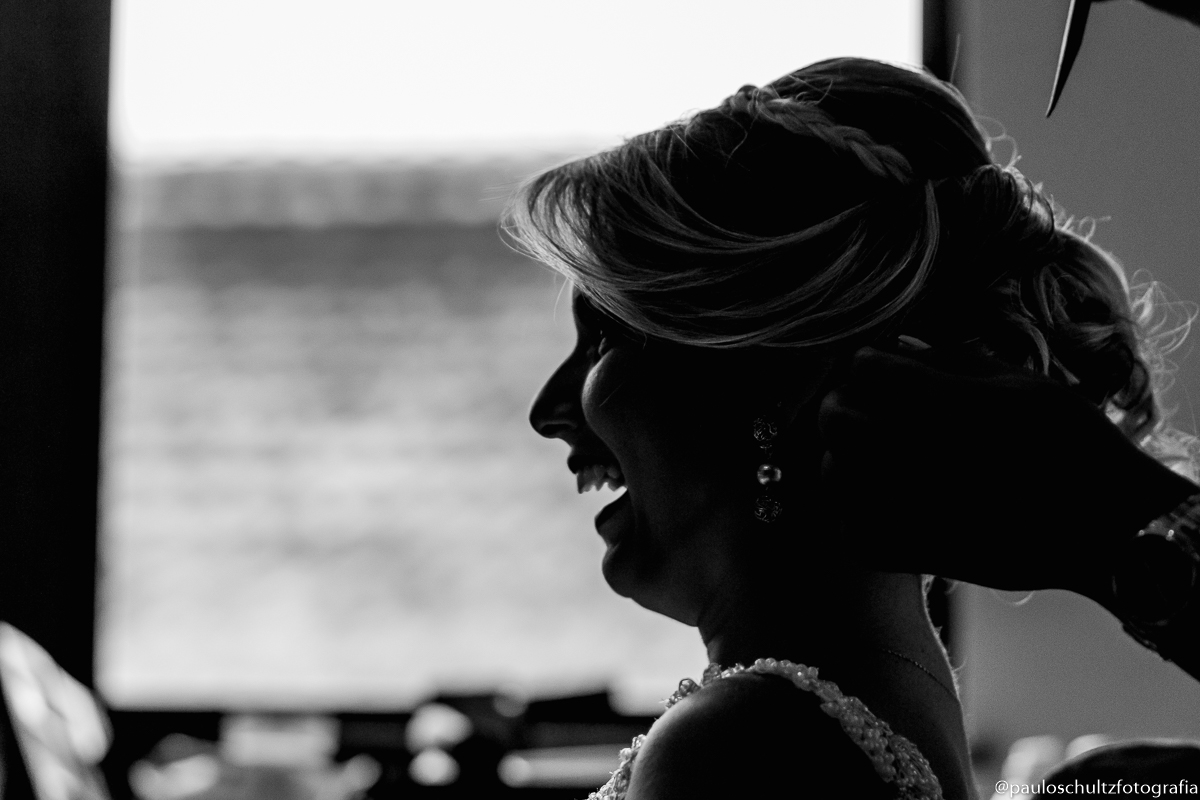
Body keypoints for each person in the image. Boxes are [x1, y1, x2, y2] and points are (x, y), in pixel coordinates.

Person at [508, 54, 1191, 800]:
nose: (548, 411)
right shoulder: (887, 703)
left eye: (606, 339)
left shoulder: (735, 748)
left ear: (769, 374)